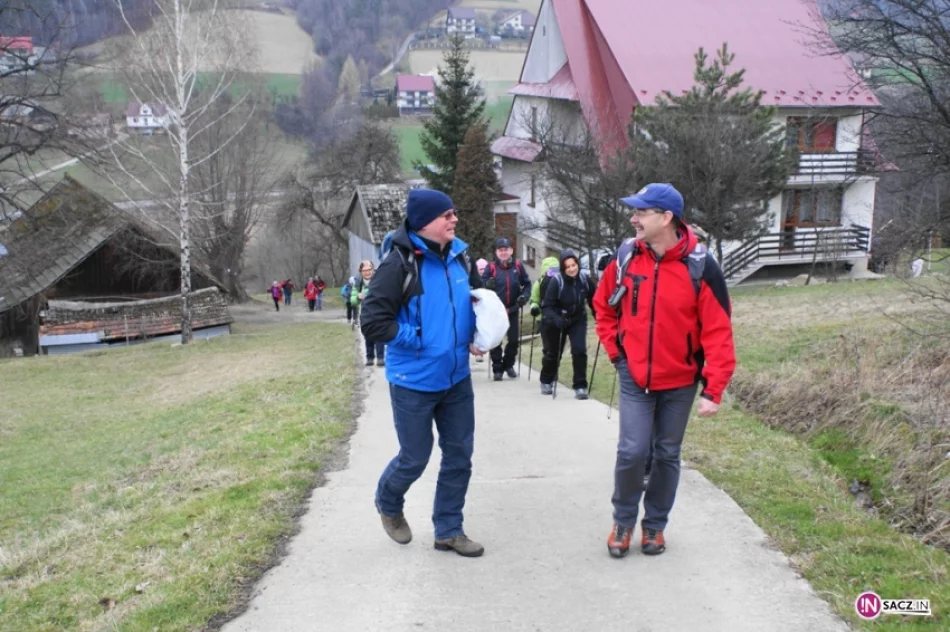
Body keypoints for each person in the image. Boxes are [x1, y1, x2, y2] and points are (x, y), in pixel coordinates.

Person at [593, 183, 736, 559]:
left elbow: (719, 330)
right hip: (634, 377)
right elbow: (603, 307)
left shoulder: (701, 267)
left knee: (667, 453)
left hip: (681, 381)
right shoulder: (625, 257)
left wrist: (713, 388)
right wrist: (617, 354)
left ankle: (654, 525)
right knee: (632, 451)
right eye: (634, 212)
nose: (633, 218)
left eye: (641, 212)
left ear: (666, 217)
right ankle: (623, 520)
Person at [360, 188, 486, 558]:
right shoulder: (398, 264)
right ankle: (388, 500)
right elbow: (372, 322)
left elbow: (474, 301)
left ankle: (449, 529)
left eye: (454, 213)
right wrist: (413, 337)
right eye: (446, 215)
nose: (454, 220)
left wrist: (477, 334)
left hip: (456, 377)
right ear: (424, 222)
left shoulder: (460, 257)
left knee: (460, 454)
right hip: (413, 381)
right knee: (415, 456)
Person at [539, 250, 597, 399]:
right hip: (557, 320)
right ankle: (546, 380)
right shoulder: (556, 281)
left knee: (579, 351)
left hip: (577, 319)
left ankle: (580, 386)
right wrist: (557, 319)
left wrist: (598, 315)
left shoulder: (584, 279)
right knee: (553, 353)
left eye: (574, 265)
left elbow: (594, 299)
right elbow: (547, 306)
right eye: (568, 267)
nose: (572, 269)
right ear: (563, 269)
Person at [482, 237, 531, 380]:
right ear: (496, 252)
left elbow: (527, 284)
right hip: (495, 311)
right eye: (500, 250)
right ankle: (497, 368)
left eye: (506, 250)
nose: (503, 253)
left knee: (514, 340)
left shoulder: (517, 266)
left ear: (511, 251)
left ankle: (508, 364)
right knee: (496, 340)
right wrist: (487, 284)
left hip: (513, 309)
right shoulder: (491, 267)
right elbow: (482, 285)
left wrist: (524, 297)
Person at [352, 261, 386, 366]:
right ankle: (370, 357)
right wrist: (358, 296)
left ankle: (380, 358)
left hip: (378, 311)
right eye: (364, 271)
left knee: (379, 335)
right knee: (368, 335)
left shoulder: (379, 279)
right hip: (366, 313)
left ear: (373, 270)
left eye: (369, 270)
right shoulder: (358, 283)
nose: (367, 273)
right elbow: (353, 300)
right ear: (361, 272)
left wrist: (367, 293)